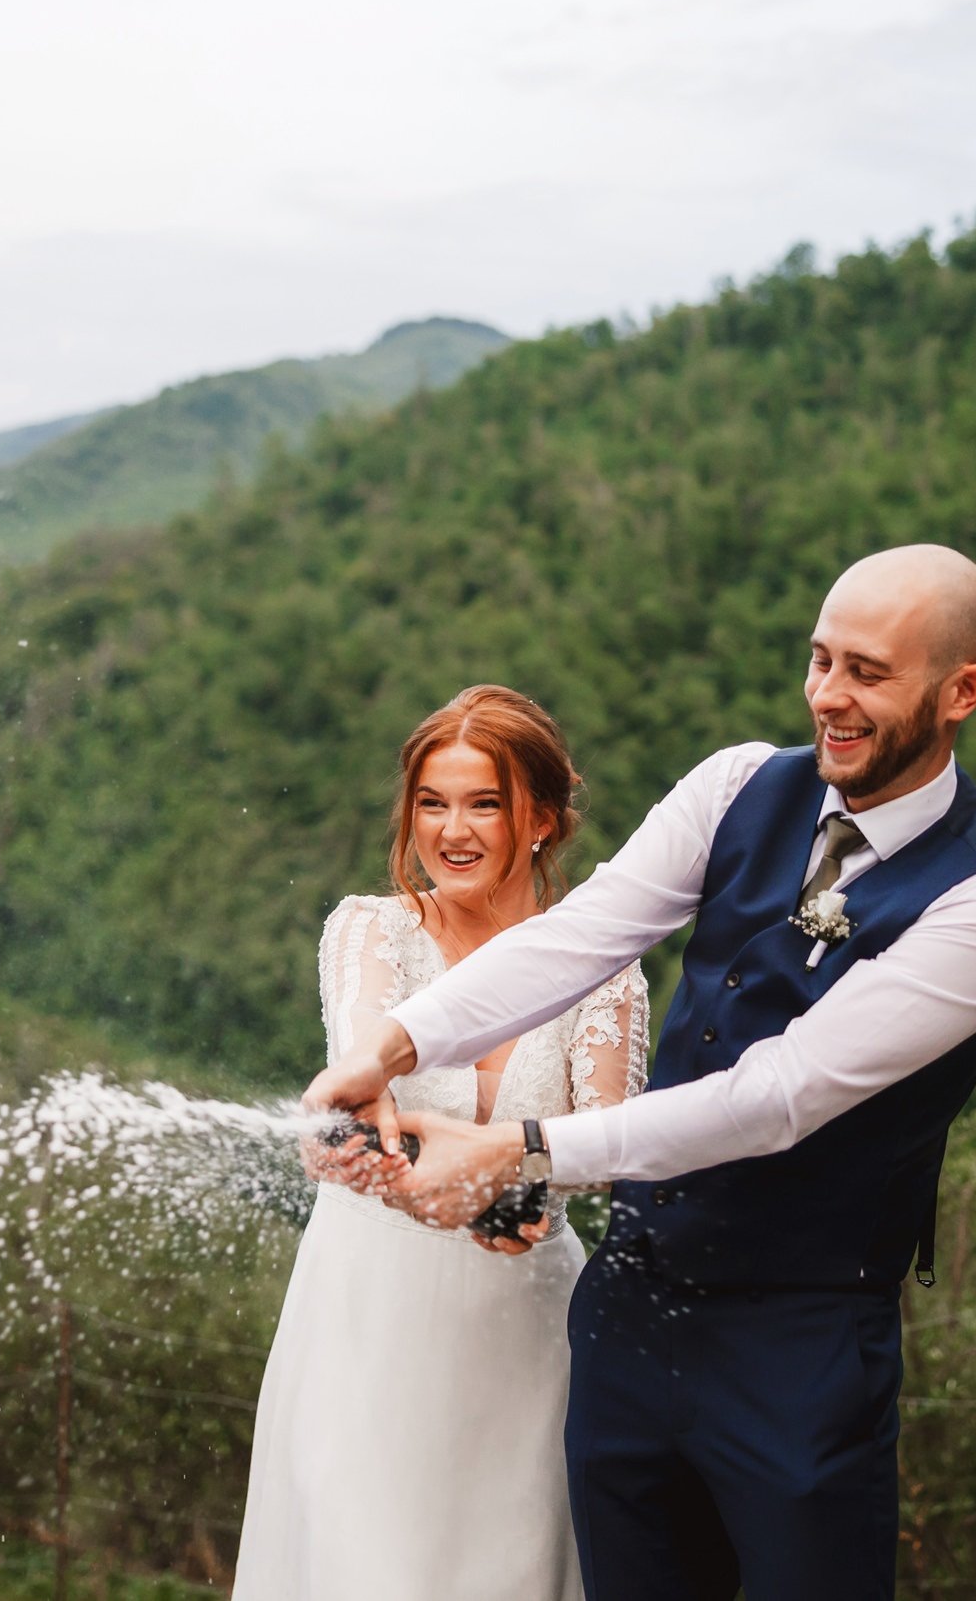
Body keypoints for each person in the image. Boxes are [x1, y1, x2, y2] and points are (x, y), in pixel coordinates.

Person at [307, 545, 976, 1600]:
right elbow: (578, 939)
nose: (828, 698)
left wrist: (521, 1148)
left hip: (797, 1350)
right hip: (629, 1315)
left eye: (866, 673)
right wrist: (390, 1047)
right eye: (817, 660)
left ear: (961, 691)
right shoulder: (735, 783)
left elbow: (780, 1096)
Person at [234, 685, 650, 1601]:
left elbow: (607, 1147)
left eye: (484, 802)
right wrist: (347, 1148)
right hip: (368, 1311)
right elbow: (361, 1074)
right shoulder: (372, 930)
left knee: (512, 1566)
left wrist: (522, 1188)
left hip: (526, 1325)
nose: (451, 830)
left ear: (540, 817)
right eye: (432, 802)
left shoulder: (605, 973)